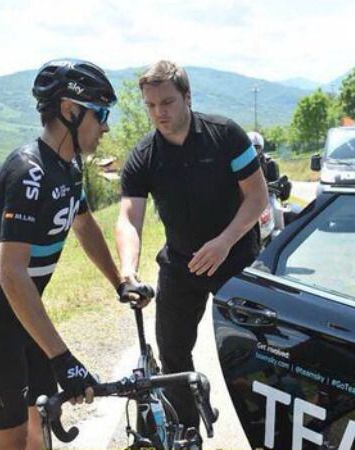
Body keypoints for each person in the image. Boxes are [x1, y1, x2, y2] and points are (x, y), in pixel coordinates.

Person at [0, 59, 134, 450]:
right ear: (71, 111)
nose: (105, 126)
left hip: (23, 313)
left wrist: (120, 281)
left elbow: (84, 225)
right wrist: (62, 357)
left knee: (40, 424)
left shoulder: (68, 167)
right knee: (12, 440)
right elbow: (10, 274)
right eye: (101, 114)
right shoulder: (29, 172)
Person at [115, 60, 268, 436]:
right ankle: (185, 432)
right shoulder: (144, 155)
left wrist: (224, 242)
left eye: (166, 102)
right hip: (181, 264)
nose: (158, 113)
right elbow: (128, 219)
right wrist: (128, 269)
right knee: (171, 353)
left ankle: (261, 426)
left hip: (235, 257)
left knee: (250, 350)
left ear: (187, 96)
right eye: (150, 106)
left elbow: (258, 197)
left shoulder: (226, 134)